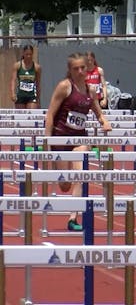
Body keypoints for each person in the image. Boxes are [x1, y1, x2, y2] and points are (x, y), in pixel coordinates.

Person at [45, 53, 112, 231]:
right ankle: (60, 173)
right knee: (65, 184)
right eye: (76, 68)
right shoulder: (64, 87)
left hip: (79, 138)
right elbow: (50, 114)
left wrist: (104, 122)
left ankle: (73, 218)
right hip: (60, 138)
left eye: (83, 67)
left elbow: (98, 112)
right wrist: (47, 140)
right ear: (70, 70)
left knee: (80, 175)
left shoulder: (90, 90)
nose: (81, 71)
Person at [10, 45, 41, 109]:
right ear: (23, 53)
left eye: (30, 54)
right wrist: (13, 93)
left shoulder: (37, 67)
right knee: (21, 117)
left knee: (31, 115)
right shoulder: (17, 65)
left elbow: (38, 83)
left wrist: (38, 98)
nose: (28, 56)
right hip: (20, 95)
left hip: (31, 96)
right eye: (27, 54)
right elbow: (13, 80)